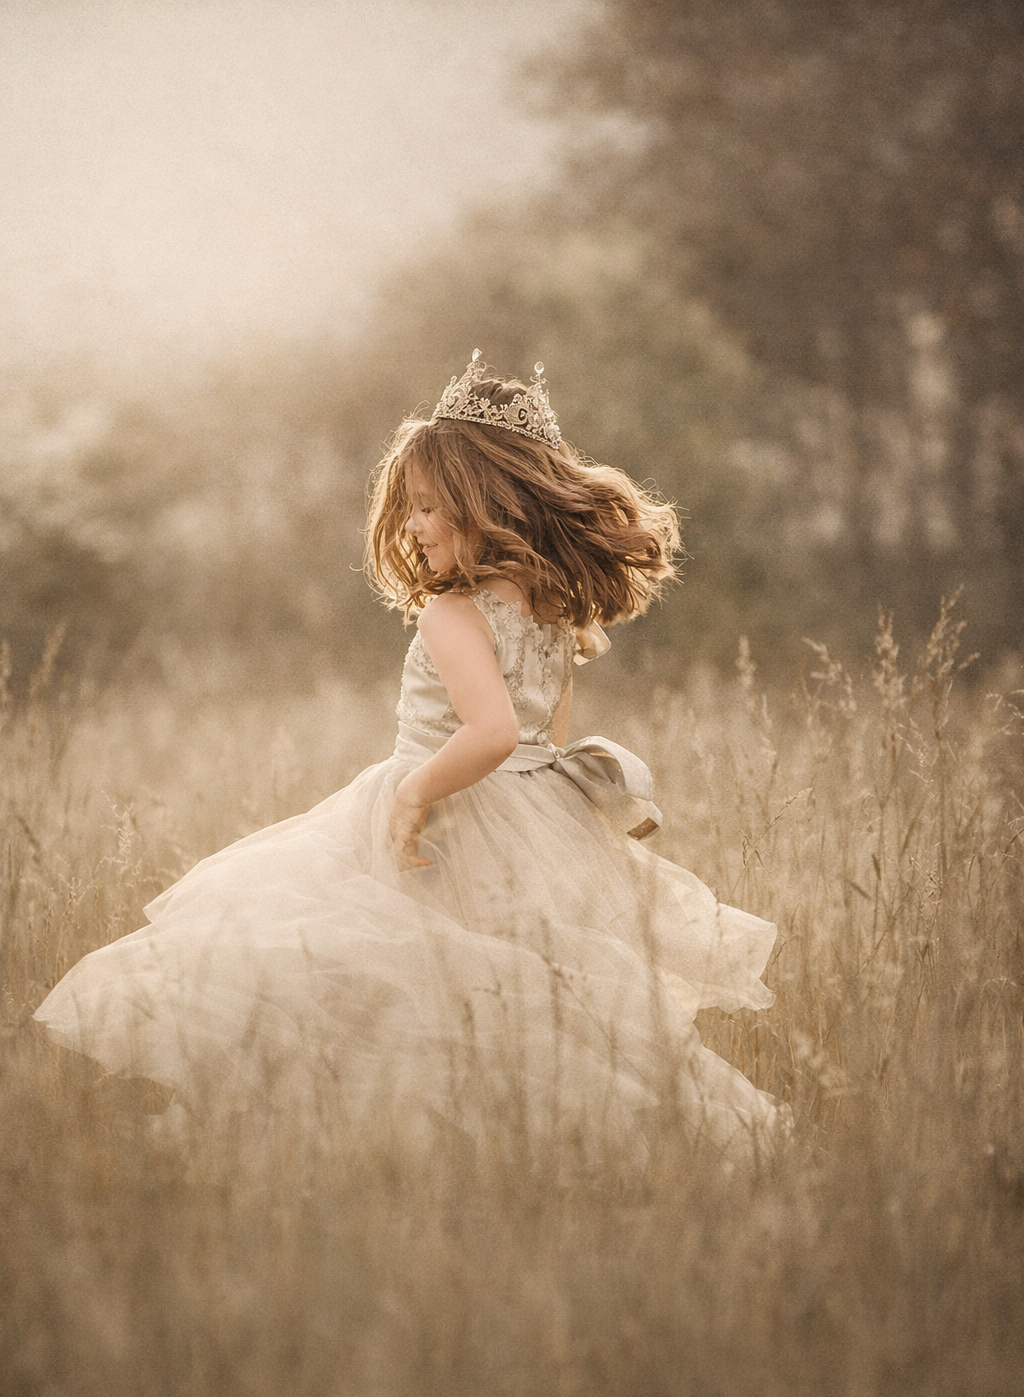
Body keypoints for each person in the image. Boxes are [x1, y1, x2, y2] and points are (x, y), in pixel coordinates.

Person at [36, 353, 789, 1165]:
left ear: (487, 505)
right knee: (518, 985)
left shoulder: (453, 613)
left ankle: (386, 1142)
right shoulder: (551, 609)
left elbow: (493, 732)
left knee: (362, 965)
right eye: (410, 509)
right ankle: (527, 1143)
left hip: (452, 810)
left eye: (429, 508)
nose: (413, 528)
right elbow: (546, 737)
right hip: (536, 816)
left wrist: (413, 794)